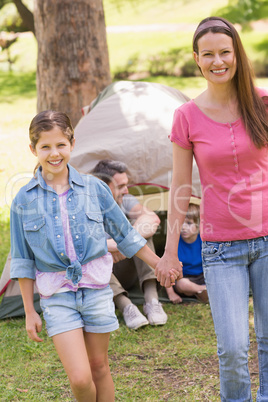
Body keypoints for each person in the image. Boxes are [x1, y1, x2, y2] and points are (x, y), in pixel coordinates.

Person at [10, 111, 179, 402]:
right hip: (57, 295)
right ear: (33, 149)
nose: (54, 153)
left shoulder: (95, 189)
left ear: (72, 143)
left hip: (97, 289)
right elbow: (22, 259)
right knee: (80, 378)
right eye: (45, 147)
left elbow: (126, 235)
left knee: (99, 366)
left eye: (61, 144)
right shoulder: (23, 200)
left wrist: (158, 263)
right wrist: (28, 310)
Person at [155, 16, 268, 401]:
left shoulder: (263, 103)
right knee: (233, 349)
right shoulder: (187, 116)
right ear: (196, 59)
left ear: (236, 53)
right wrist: (170, 252)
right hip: (221, 248)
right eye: (208, 55)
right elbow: (181, 187)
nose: (218, 61)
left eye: (225, 52)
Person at [92, 160, 168, 330]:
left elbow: (152, 218)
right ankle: (126, 306)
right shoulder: (88, 208)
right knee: (91, 256)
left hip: (126, 266)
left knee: (139, 226)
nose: (126, 190)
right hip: (102, 273)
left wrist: (126, 244)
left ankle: (152, 300)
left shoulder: (125, 200)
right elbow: (86, 245)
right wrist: (118, 246)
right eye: (120, 186)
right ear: (104, 186)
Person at [165, 203, 208, 304]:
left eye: (189, 223)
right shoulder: (175, 242)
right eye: (181, 223)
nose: (183, 227)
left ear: (198, 225)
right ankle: (203, 290)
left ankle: (200, 292)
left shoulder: (203, 240)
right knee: (182, 284)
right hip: (186, 277)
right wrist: (171, 293)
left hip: (204, 275)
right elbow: (167, 269)